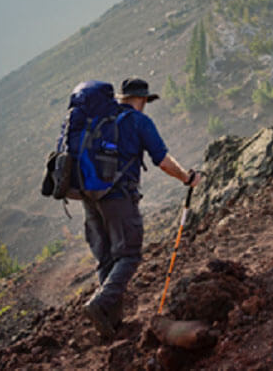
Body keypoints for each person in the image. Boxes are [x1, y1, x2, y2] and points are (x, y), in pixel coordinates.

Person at [82, 77, 202, 338]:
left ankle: (111, 323)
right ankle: (99, 304)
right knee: (129, 255)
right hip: (118, 196)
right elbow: (162, 160)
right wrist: (187, 178)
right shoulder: (139, 121)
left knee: (107, 258)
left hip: (88, 196)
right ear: (142, 99)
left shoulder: (97, 119)